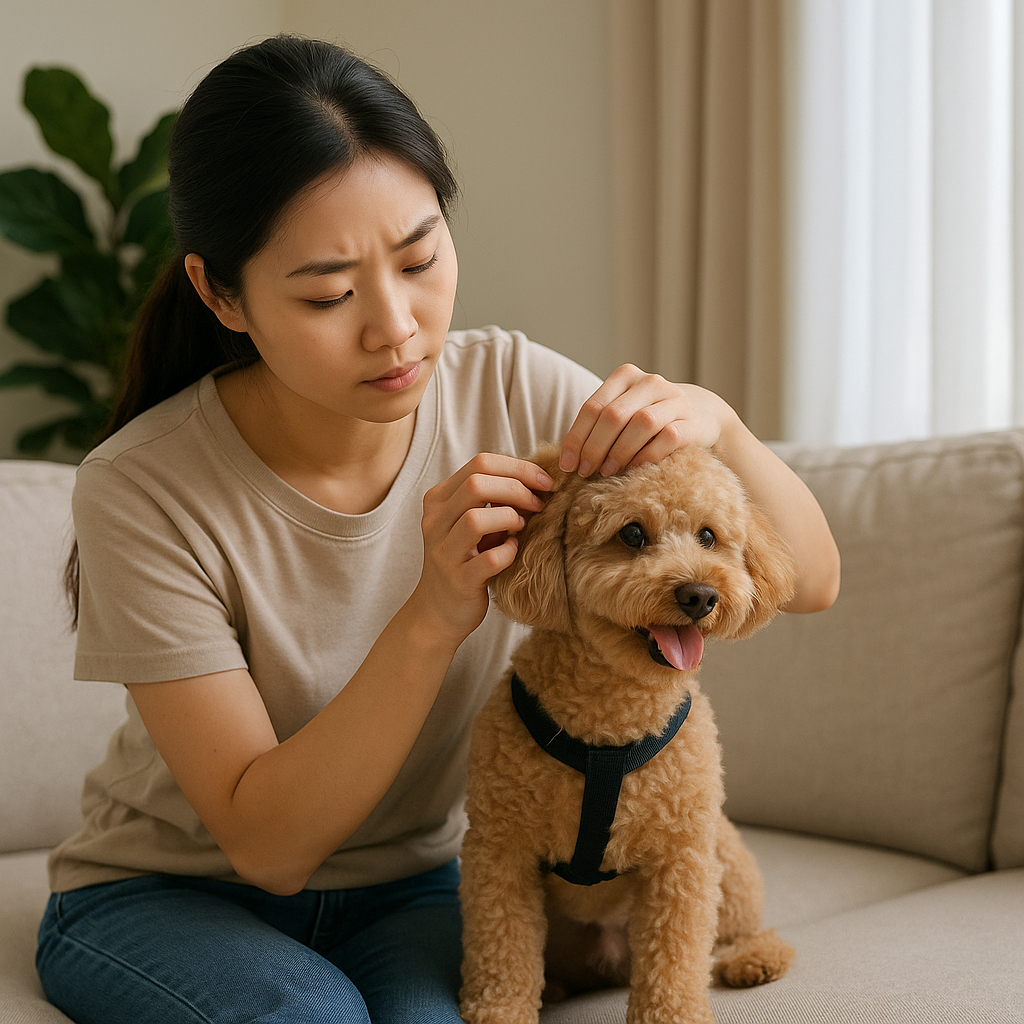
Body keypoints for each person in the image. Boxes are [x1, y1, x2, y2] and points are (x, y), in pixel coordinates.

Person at [34, 34, 840, 1024]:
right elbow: (269, 847)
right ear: (220, 293)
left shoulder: (513, 386)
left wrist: (715, 418)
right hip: (165, 894)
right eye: (329, 292)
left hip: (408, 890)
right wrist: (431, 612)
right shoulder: (141, 486)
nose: (396, 326)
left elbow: (810, 577)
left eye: (419, 258)